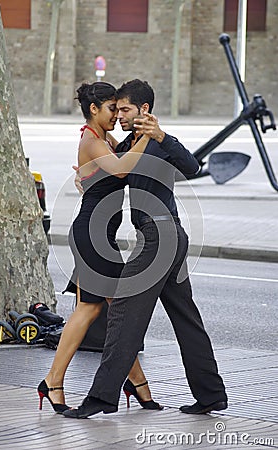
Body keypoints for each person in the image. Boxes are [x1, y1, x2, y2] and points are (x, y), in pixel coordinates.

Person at [63, 79, 228, 419]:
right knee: (186, 319)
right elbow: (114, 168)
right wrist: (85, 176)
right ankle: (211, 396)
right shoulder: (132, 141)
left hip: (160, 238)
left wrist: (161, 135)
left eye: (125, 110)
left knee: (122, 312)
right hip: (167, 237)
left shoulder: (158, 140)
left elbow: (193, 166)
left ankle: (101, 399)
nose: (120, 115)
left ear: (144, 110)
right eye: (117, 109)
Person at [38, 81, 163, 414]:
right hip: (92, 234)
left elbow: (124, 153)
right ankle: (55, 381)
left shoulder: (104, 140)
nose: (115, 115)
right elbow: (122, 167)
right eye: (112, 109)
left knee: (111, 312)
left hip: (100, 235)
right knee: (96, 310)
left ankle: (135, 385)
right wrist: (150, 135)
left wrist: (143, 130)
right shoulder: (92, 141)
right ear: (94, 109)